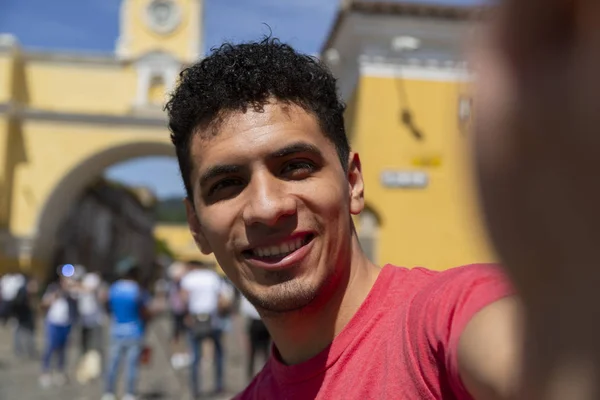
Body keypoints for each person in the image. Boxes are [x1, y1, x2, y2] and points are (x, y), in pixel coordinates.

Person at [165, 37, 520, 399]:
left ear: (352, 183)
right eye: (227, 184)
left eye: (296, 167)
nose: (267, 208)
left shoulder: (445, 318)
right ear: (196, 226)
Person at [180, 260, 231, 398]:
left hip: (195, 319)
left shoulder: (189, 278)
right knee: (219, 354)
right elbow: (222, 298)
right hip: (213, 320)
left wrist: (186, 314)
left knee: (195, 355)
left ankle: (195, 388)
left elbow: (184, 298)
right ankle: (219, 385)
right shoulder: (213, 277)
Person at [102, 262, 151, 400]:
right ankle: (129, 393)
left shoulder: (114, 288)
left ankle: (109, 392)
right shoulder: (138, 290)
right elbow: (144, 310)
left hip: (116, 329)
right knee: (131, 365)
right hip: (135, 330)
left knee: (113, 363)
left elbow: (107, 306)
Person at [39, 268, 79, 388]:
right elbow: (43, 304)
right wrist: (53, 296)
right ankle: (45, 372)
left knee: (63, 349)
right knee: (51, 347)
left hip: (66, 323)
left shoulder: (73, 291)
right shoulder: (53, 288)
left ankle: (60, 371)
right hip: (53, 322)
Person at [240, 295, 270, 381]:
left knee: (258, 352)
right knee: (260, 352)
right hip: (261, 322)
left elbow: (244, 309)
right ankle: (261, 375)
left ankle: (257, 375)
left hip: (258, 322)